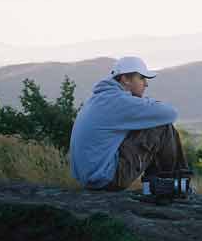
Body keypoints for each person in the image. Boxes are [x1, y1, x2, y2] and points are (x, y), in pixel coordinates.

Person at [69, 56, 191, 192]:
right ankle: (176, 185)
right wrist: (147, 103)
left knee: (147, 123)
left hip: (91, 177)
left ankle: (162, 184)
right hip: (107, 178)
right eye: (142, 78)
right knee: (161, 126)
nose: (146, 84)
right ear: (125, 79)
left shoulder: (99, 98)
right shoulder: (118, 101)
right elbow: (171, 113)